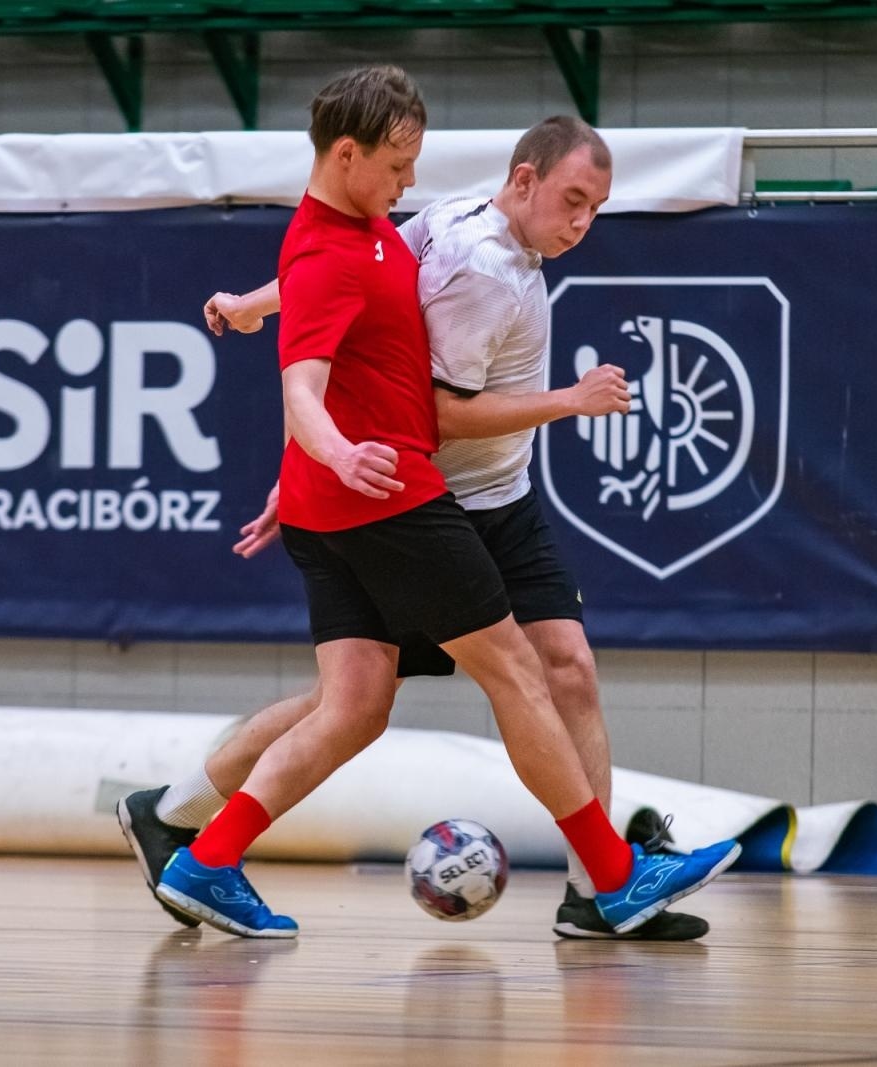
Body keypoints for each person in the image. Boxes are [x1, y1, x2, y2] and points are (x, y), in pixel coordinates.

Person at [119, 66, 739, 940]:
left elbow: (329, 288)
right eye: (573, 200)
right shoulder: (446, 261)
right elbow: (325, 383)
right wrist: (330, 449)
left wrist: (250, 308)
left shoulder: (385, 226)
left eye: (595, 208)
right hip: (401, 493)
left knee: (365, 702)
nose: (412, 179)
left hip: (375, 495)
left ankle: (201, 846)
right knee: (515, 671)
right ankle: (613, 874)